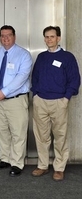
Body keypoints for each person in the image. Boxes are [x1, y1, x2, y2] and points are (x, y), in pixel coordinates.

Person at [31, 26, 80, 181]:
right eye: (46, 37)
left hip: (59, 102)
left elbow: (74, 79)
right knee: (41, 136)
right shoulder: (41, 57)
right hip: (41, 101)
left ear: (58, 38)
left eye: (52, 36)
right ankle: (43, 165)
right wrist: (36, 95)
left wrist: (66, 98)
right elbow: (35, 77)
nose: (49, 39)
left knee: (60, 136)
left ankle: (59, 168)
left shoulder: (67, 57)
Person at [0, 25, 32, 177]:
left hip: (16, 100)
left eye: (8, 35)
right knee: (1, 131)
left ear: (14, 36)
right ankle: (5, 159)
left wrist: (5, 91)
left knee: (18, 132)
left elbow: (22, 77)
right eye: (2, 35)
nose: (5, 38)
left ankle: (17, 163)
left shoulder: (24, 55)